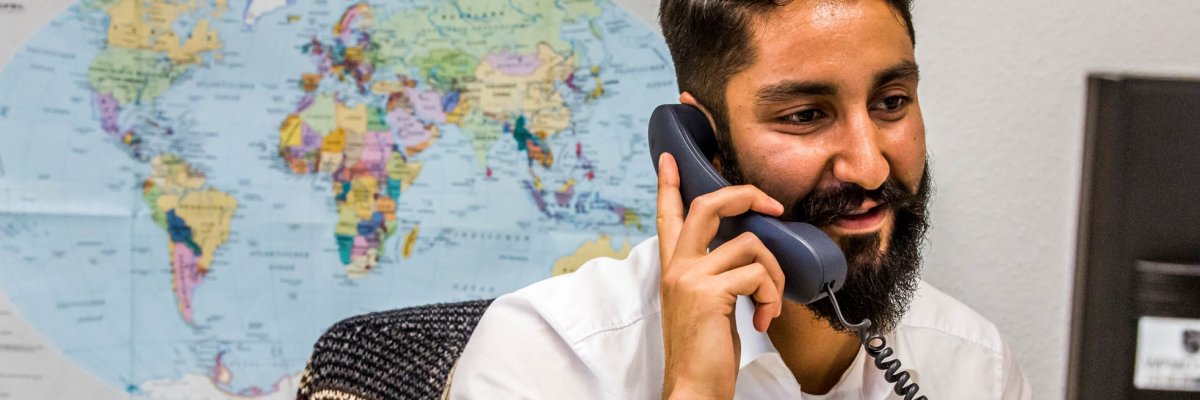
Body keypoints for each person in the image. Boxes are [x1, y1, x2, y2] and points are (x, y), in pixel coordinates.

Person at [448, 0, 1032, 398]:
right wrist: (695, 391)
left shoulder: (975, 364)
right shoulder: (546, 358)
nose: (871, 163)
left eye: (892, 102)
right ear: (707, 146)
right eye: (806, 115)